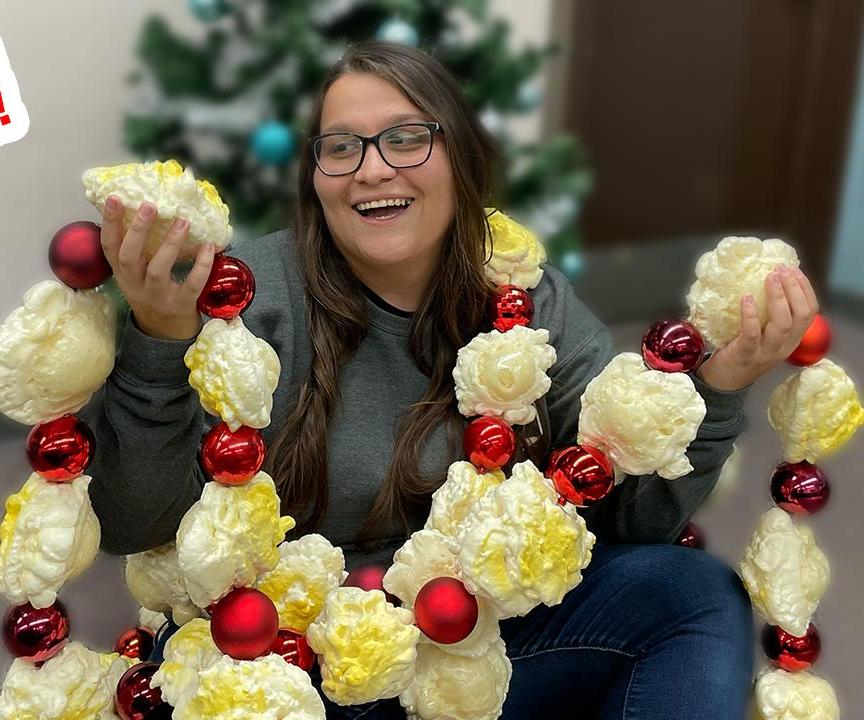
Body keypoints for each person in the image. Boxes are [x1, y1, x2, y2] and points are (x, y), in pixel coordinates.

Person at [85, 42, 820, 719]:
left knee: (693, 595)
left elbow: (633, 522)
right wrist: (159, 340)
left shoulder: (529, 302)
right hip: (283, 669)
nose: (373, 169)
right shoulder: (240, 298)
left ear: (460, 158)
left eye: (407, 138)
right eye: (341, 147)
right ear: (316, 177)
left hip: (472, 646)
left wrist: (721, 384)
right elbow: (132, 523)